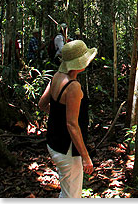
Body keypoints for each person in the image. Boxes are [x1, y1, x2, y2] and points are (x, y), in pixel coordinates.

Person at [38, 40, 97, 198]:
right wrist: (86, 157)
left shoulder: (56, 76)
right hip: (67, 149)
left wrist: (58, 114)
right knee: (72, 196)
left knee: (67, 190)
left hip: (53, 142)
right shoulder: (73, 87)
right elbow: (72, 125)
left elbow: (42, 104)